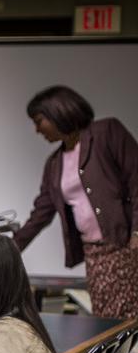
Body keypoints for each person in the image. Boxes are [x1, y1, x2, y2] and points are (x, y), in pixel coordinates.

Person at [16, 85, 138, 320]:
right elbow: (40, 214)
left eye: (39, 120)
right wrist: (9, 248)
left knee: (124, 322)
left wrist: (136, 236)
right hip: (95, 256)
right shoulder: (54, 164)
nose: (37, 129)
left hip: (125, 247)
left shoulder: (106, 132)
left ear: (58, 112)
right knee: (106, 323)